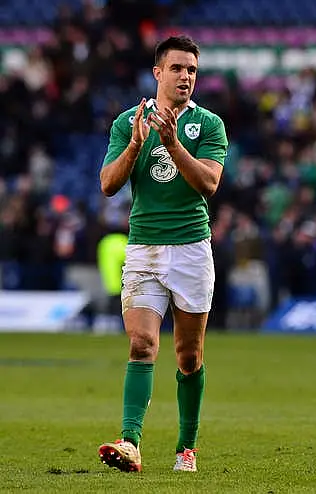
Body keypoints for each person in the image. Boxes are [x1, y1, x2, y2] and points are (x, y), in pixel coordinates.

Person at [97, 35, 228, 473]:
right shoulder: (127, 123)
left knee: (189, 356)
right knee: (141, 343)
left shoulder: (209, 125)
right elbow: (108, 185)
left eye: (192, 69)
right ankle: (130, 440)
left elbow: (209, 184)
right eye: (176, 68)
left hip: (192, 249)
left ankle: (185, 447)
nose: (185, 77)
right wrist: (136, 144)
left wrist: (173, 143)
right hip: (144, 249)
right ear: (158, 73)